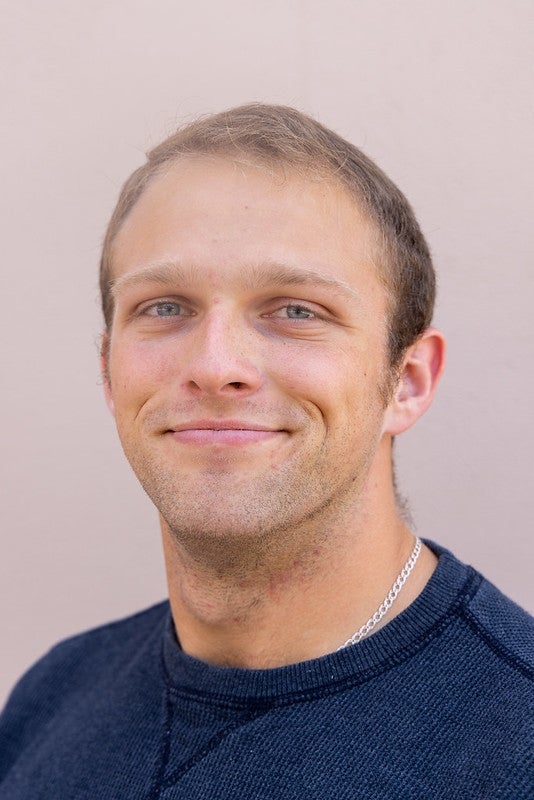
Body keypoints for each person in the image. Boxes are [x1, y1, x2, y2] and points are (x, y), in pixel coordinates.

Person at [0, 104, 532, 799]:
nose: (216, 364)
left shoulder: (514, 742)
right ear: (109, 371)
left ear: (407, 381)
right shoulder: (51, 698)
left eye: (296, 310)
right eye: (165, 307)